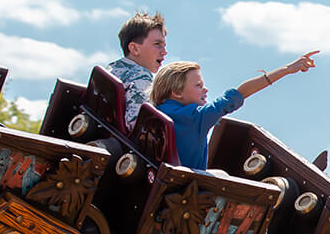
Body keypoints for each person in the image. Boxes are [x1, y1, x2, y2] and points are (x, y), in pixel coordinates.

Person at [150, 51, 317, 170]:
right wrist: (287, 69)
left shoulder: (153, 114)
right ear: (177, 92)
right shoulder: (195, 117)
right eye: (198, 85)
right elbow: (240, 93)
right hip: (185, 189)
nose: (205, 90)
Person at [108, 12, 168, 129]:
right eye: (157, 44)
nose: (164, 52)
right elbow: (136, 124)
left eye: (164, 46)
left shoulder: (111, 69)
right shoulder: (141, 76)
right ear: (134, 48)